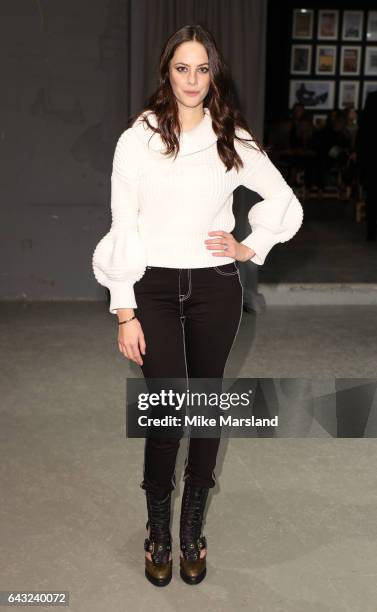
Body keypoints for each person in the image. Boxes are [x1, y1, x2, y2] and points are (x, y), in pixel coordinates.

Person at [92, 24, 304, 587]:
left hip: (214, 288)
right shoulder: (136, 138)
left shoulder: (230, 137)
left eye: (202, 69)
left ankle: (192, 530)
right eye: (182, 68)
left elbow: (283, 200)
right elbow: (122, 225)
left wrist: (249, 245)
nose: (191, 79)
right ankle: (158, 530)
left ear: (214, 75)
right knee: (167, 413)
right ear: (167, 71)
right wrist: (124, 310)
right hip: (152, 291)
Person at [356, 90, 377, 240]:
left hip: (371, 159)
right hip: (371, 159)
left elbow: (362, 136)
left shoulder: (371, 99)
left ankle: (371, 232)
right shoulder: (372, 98)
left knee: (372, 197)